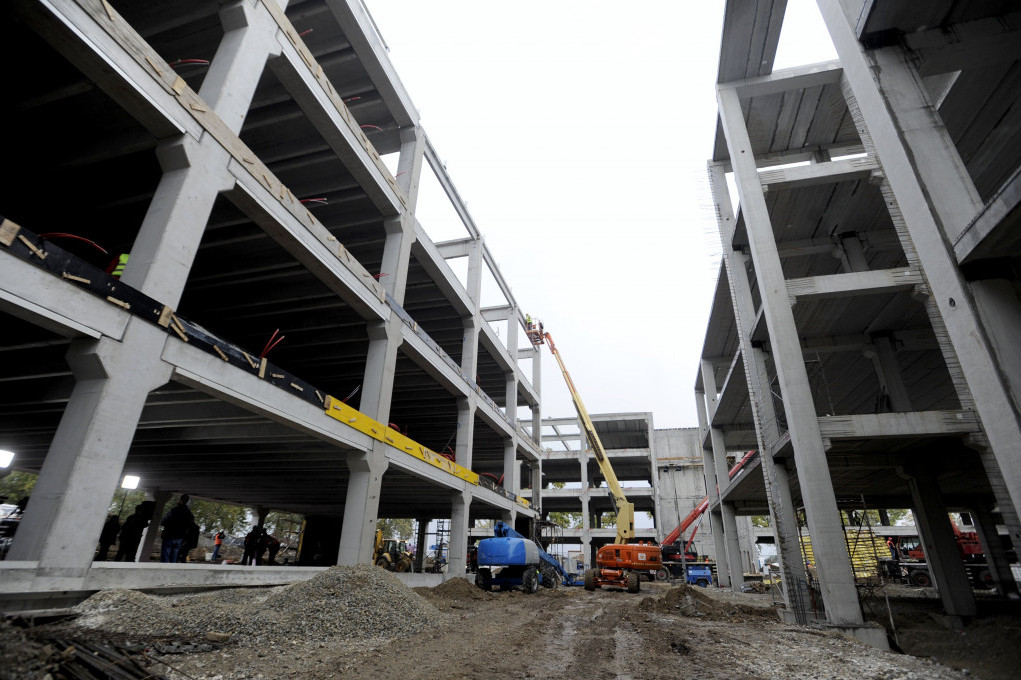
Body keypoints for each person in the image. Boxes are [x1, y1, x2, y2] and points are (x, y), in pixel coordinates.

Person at [160, 494, 194, 563]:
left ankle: (164, 568)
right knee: (174, 556)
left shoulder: (174, 510)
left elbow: (164, 521)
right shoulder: (189, 513)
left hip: (169, 535)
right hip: (180, 538)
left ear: (180, 500)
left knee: (165, 556)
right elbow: (191, 525)